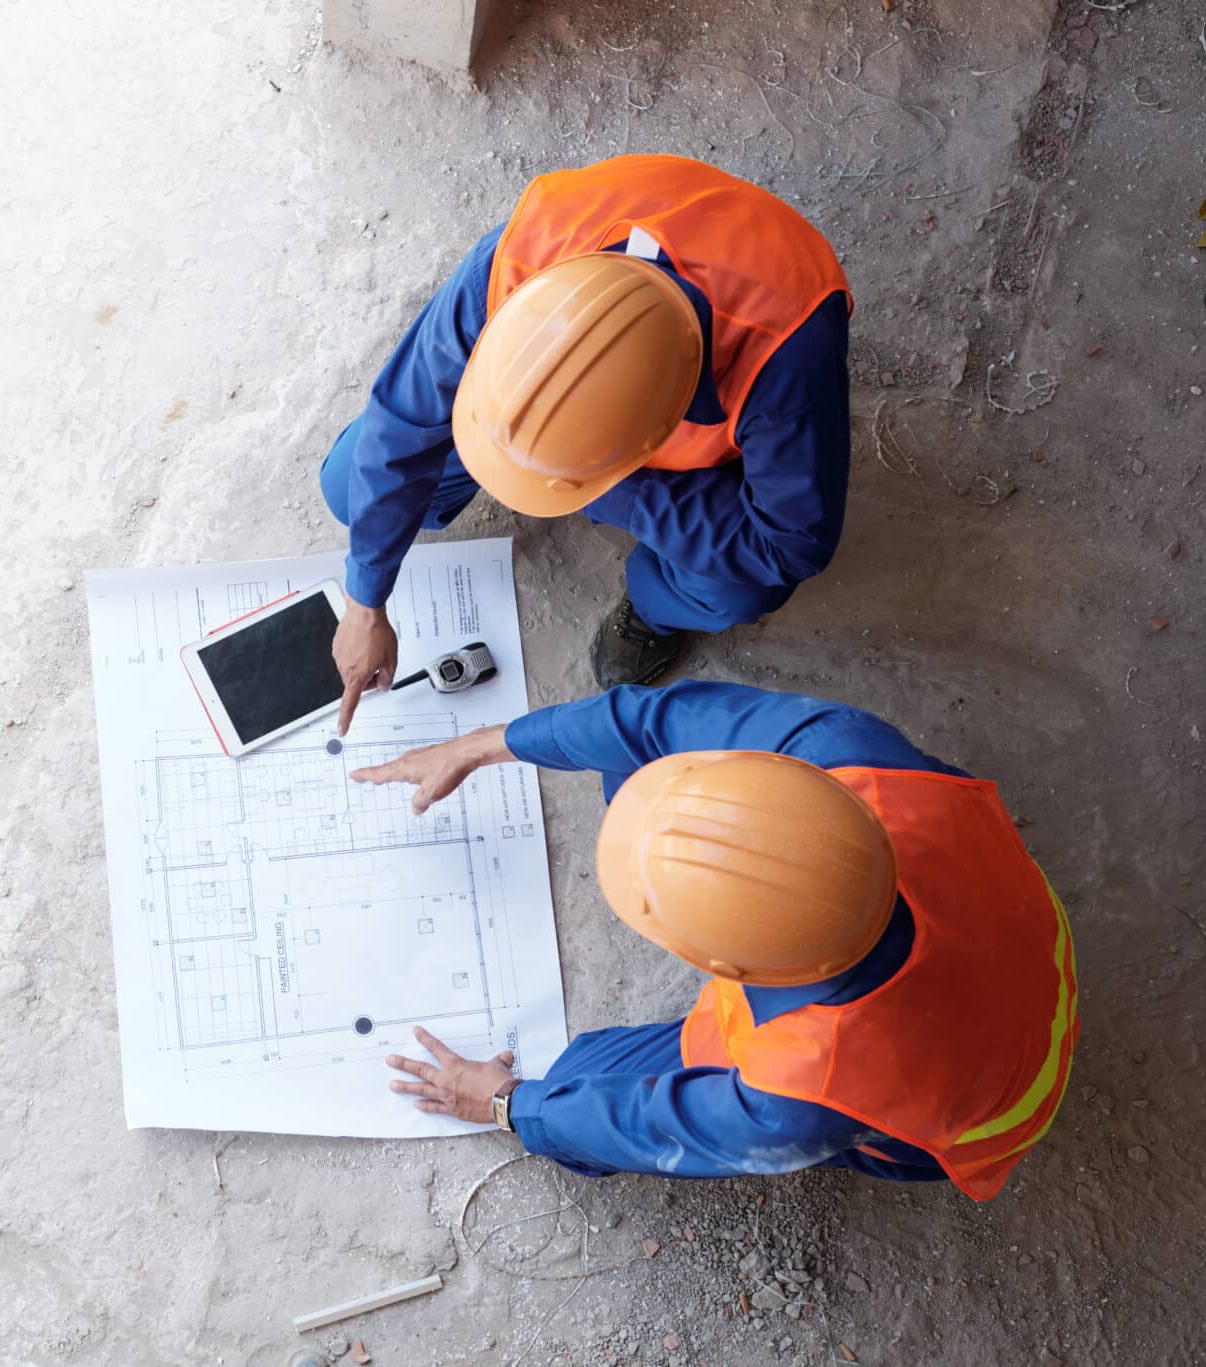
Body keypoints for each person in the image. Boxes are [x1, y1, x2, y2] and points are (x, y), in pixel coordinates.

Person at [350, 682, 1077, 1200]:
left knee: (577, 1080)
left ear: (729, 969)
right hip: (1017, 942)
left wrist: (507, 1103)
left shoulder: (808, 1090)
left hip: (985, 1112)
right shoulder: (848, 755)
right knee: (625, 760)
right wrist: (480, 747)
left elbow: (649, 1126)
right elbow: (640, 721)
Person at [321, 155, 853, 729]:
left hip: (699, 418)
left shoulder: (790, 357)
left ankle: (653, 606)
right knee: (351, 485)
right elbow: (400, 419)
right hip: (597, 403)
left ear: (651, 439)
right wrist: (365, 599)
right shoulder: (524, 255)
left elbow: (791, 542)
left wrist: (613, 492)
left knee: (737, 590)